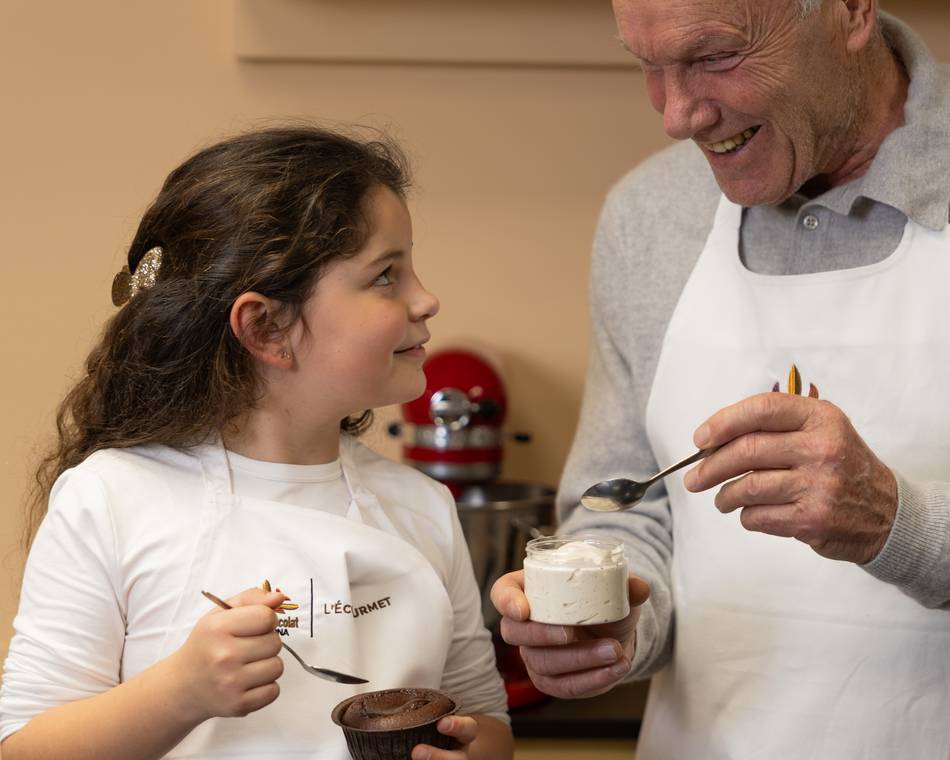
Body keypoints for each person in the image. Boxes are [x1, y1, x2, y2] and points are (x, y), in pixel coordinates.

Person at [492, 0, 950, 757]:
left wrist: (895, 525)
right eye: (648, 64)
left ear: (852, 11)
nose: (676, 115)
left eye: (713, 56)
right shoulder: (650, 215)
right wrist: (610, 623)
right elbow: (624, 507)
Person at [0, 126, 514, 760]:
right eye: (387, 275)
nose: (426, 299)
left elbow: (486, 720)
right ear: (267, 326)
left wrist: (473, 750)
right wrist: (180, 693)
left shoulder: (425, 507)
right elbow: (25, 747)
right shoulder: (109, 499)